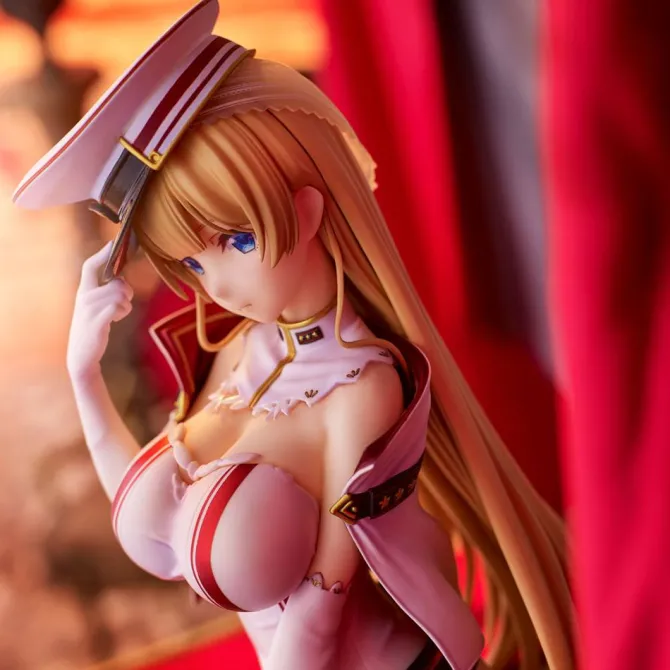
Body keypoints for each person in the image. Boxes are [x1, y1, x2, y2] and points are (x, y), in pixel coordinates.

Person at [13, 2, 574, 668]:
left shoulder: (362, 389)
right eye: (191, 263)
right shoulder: (233, 349)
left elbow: (320, 607)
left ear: (306, 211)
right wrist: (84, 375)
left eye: (236, 241)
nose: (217, 286)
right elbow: (160, 539)